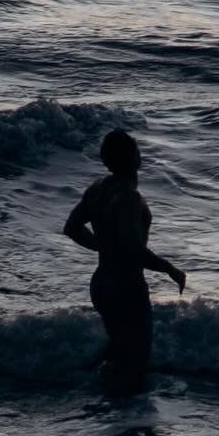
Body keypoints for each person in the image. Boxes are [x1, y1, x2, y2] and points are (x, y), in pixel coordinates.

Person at [64, 130, 185, 386]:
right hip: (126, 287)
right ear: (132, 158)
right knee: (135, 362)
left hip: (101, 285)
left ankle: (85, 390)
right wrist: (169, 269)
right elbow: (132, 250)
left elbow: (72, 227)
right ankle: (126, 416)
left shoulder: (97, 190)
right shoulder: (128, 197)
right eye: (137, 151)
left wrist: (102, 246)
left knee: (118, 349)